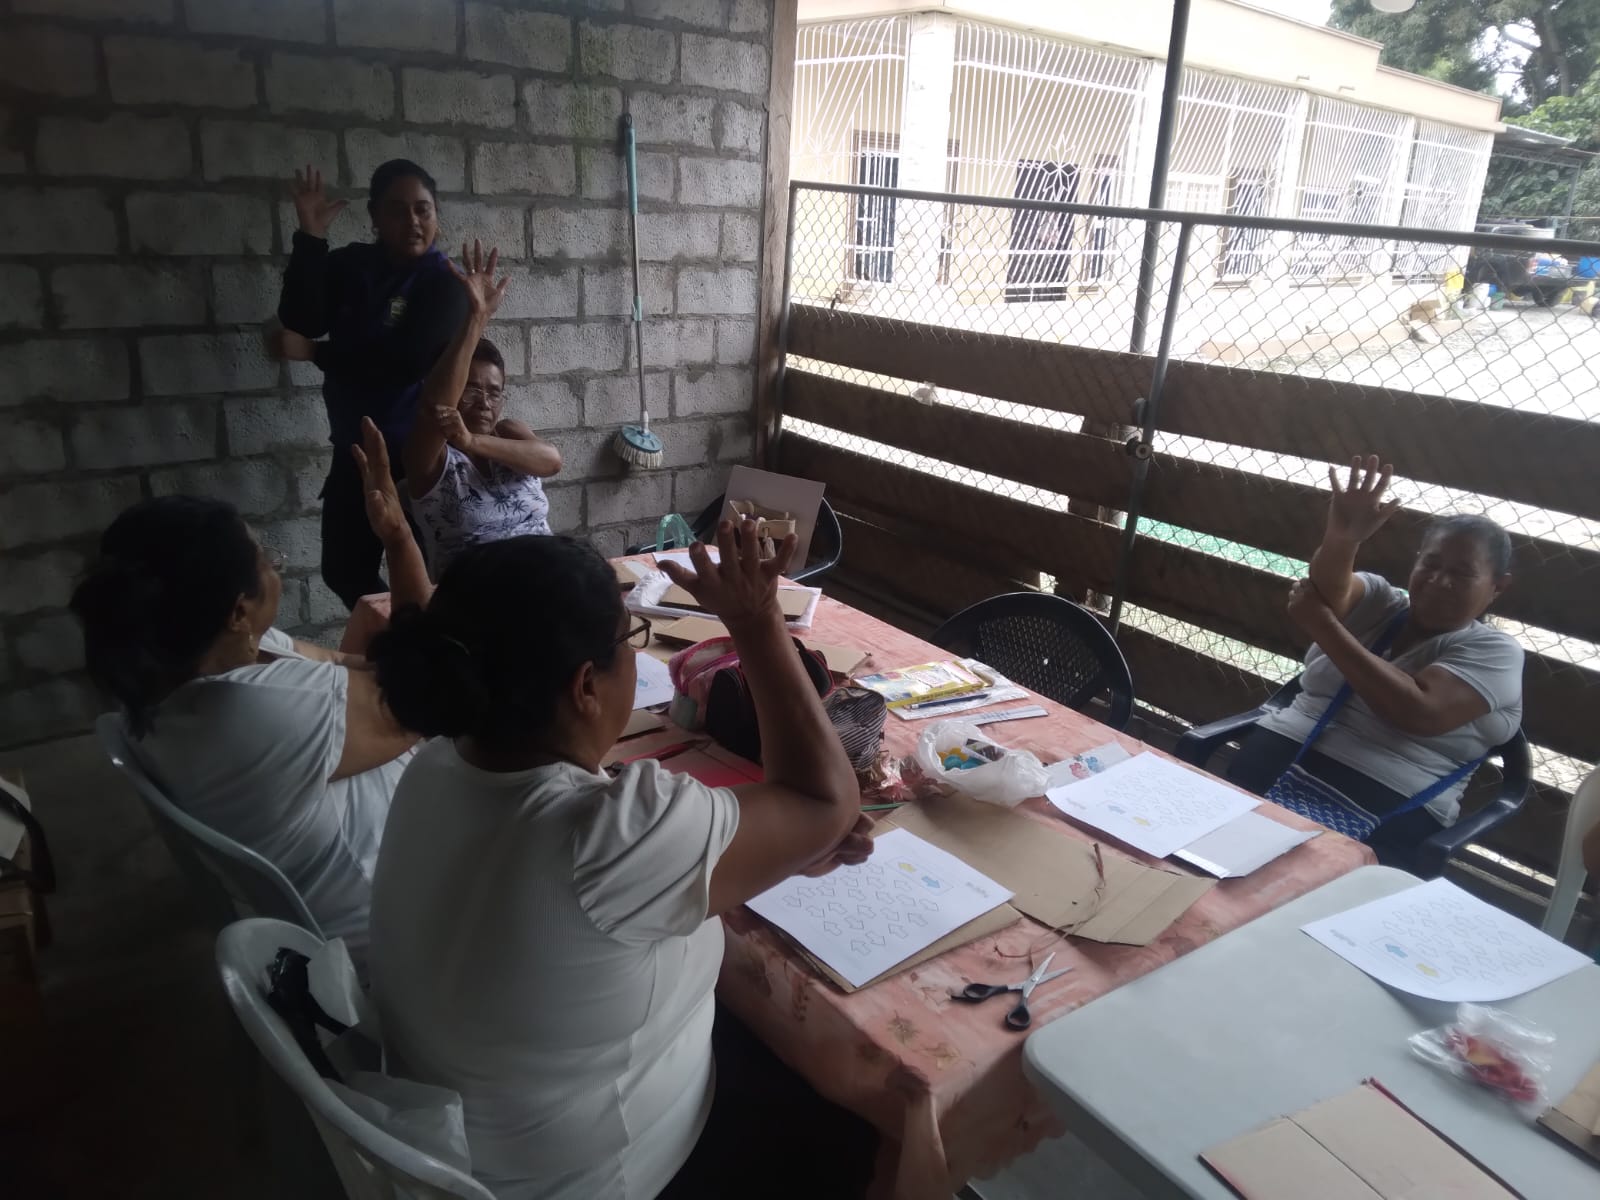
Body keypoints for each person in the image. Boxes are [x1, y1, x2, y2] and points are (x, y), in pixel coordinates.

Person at [366, 522, 875, 1199]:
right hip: (596, 1179)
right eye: (630, 639)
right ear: (585, 686)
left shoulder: (432, 764)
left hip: (471, 1142)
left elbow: (592, 905)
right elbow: (824, 800)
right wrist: (755, 622)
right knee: (858, 1125)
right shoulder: (612, 838)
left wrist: (781, 846)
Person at [72, 420, 431, 962]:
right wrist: (400, 539)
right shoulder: (265, 711)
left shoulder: (184, 664)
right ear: (238, 611)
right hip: (391, 933)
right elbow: (429, 689)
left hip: (364, 875)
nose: (275, 568)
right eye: (269, 562)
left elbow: (361, 664)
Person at [1226, 456, 1525, 867]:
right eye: (1430, 564)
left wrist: (1326, 628)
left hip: (1388, 806)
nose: (1439, 580)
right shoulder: (1382, 601)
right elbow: (1328, 590)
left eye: (1462, 573)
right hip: (1280, 758)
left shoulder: (1495, 652)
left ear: (1497, 587)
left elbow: (1418, 711)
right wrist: (1343, 537)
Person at [272, 159, 469, 609]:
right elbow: (302, 318)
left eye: (422, 209)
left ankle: (417, 635)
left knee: (428, 573)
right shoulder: (351, 265)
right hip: (355, 450)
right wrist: (311, 237)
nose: (413, 221)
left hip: (417, 459)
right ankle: (400, 629)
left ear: (436, 214)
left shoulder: (445, 283)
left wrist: (315, 352)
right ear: (375, 216)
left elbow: (404, 363)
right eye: (397, 210)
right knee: (343, 569)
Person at [404, 240, 562, 578]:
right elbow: (435, 407)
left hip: (550, 582)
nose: (484, 403)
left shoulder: (508, 432)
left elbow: (551, 461)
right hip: (478, 596)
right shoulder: (431, 459)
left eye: (494, 392)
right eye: (472, 390)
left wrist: (472, 441)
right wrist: (477, 316)